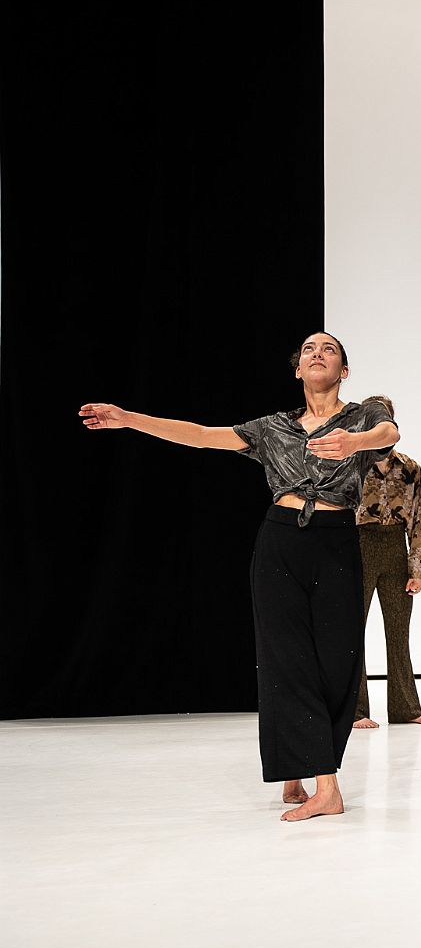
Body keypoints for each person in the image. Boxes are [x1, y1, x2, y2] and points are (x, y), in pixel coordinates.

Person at [80, 332, 399, 822]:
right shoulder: (273, 427)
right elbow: (201, 434)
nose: (317, 353)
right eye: (309, 349)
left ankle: (303, 762)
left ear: (344, 371)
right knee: (285, 660)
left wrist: (353, 441)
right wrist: (130, 419)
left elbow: (388, 434)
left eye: (329, 349)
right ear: (298, 370)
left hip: (336, 541)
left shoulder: (362, 415)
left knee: (338, 663)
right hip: (281, 542)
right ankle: (322, 784)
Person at [353, 395, 421, 729]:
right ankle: (355, 710)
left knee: (399, 632)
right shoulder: (352, 465)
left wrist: (416, 568)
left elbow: (417, 518)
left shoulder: (409, 468)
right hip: (357, 545)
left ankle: (405, 709)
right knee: (352, 632)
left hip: (394, 547)